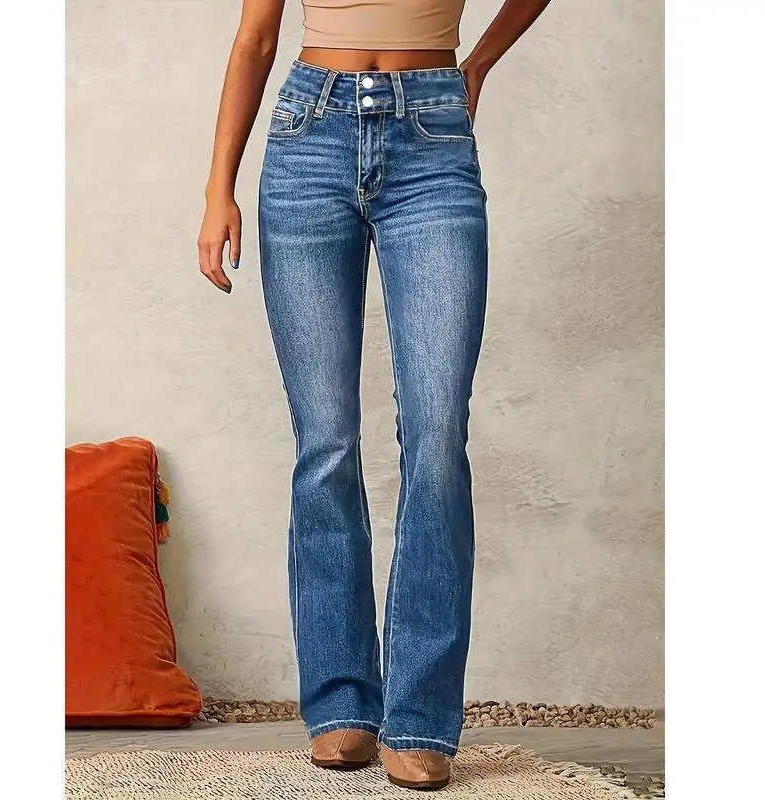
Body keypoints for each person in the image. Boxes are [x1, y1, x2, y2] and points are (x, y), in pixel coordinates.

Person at [198, 0, 552, 790]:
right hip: (307, 138)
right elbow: (256, 37)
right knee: (325, 442)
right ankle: (341, 707)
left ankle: (419, 717)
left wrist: (479, 63)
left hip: (433, 144)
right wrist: (219, 189)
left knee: (436, 436)